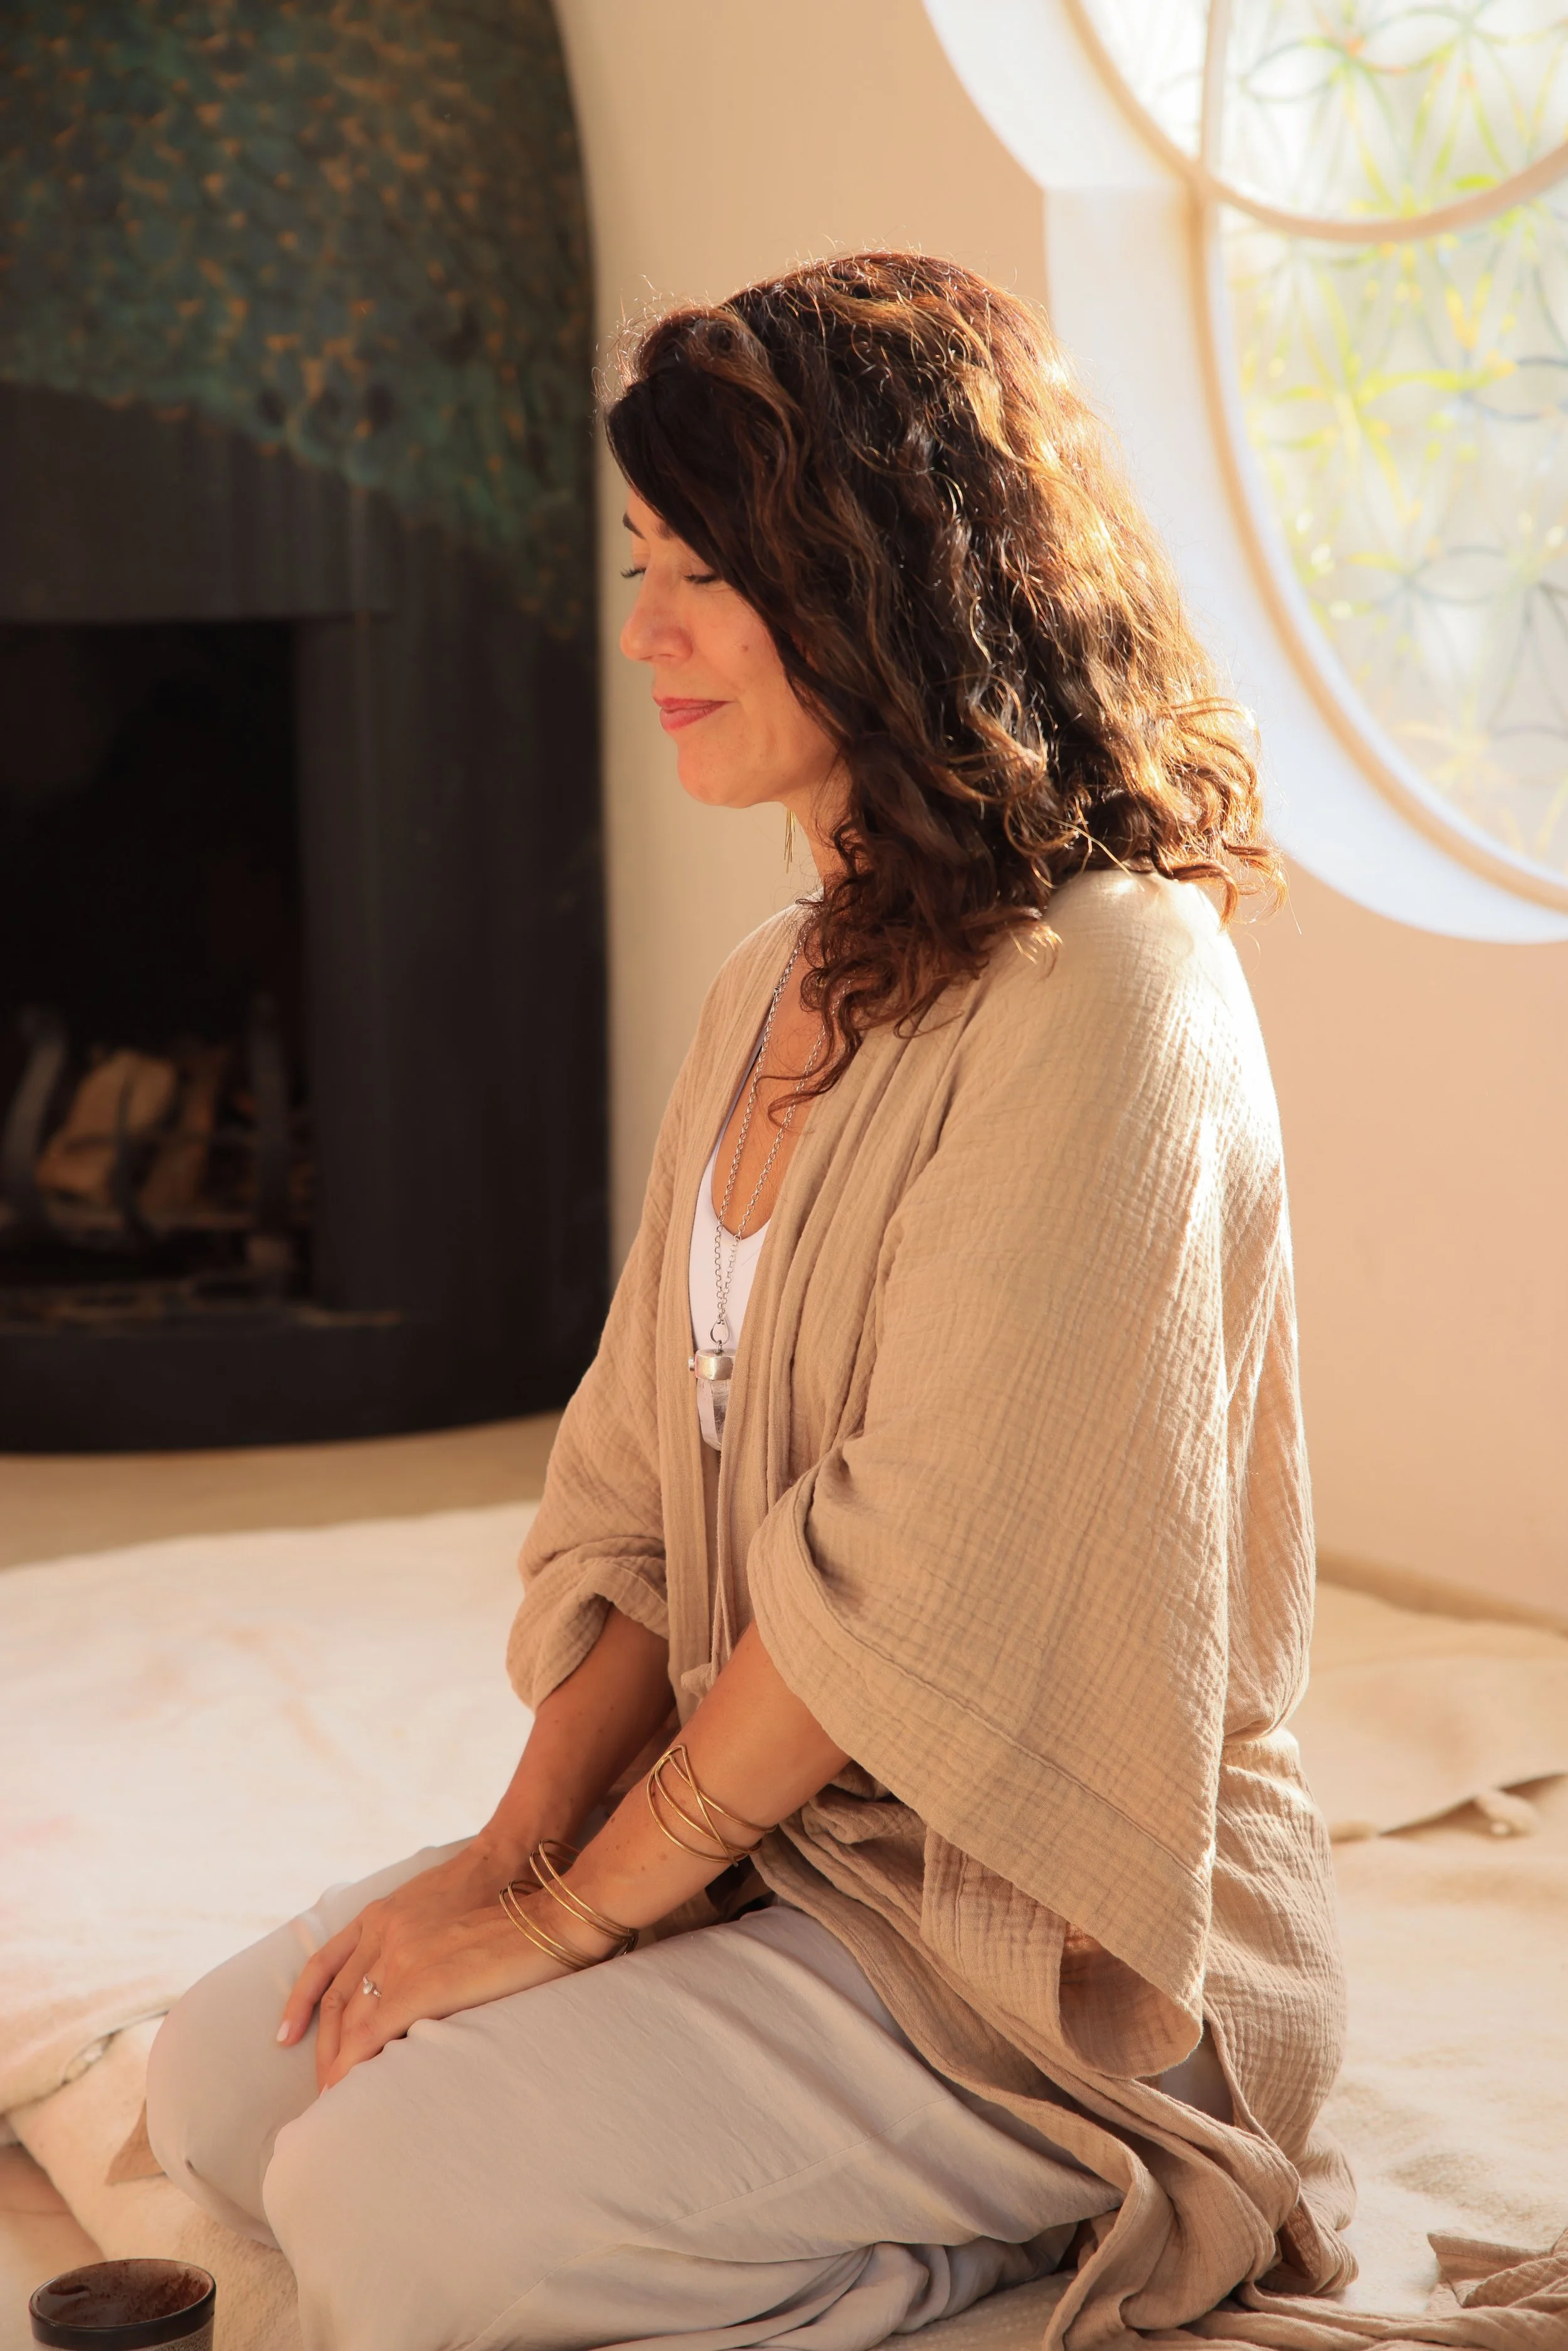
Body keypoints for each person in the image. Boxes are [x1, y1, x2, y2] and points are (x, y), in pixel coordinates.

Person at [147, 252, 1353, 2351]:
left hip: (1046, 1928)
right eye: (640, 564)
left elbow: (913, 1575)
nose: (648, 635)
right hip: (776, 1838)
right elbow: (628, 1482)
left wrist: (579, 1922)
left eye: (708, 573)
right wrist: (514, 1860)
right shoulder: (769, 983)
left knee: (378, 2193)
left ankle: (1021, 2230)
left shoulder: (1111, 988)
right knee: (224, 2079)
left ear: (886, 585)